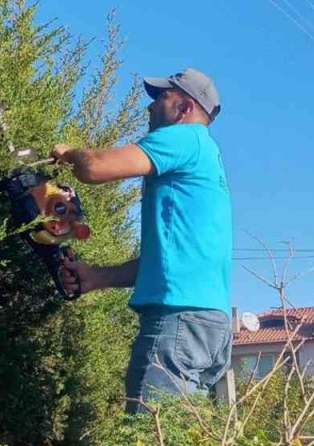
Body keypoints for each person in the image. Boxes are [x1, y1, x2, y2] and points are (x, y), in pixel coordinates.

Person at [49, 68, 232, 413]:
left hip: (178, 319)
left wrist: (67, 154)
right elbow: (165, 260)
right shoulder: (205, 157)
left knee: (148, 437)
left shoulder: (185, 137)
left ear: (185, 108)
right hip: (207, 324)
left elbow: (94, 167)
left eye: (161, 97)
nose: (150, 107)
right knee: (178, 436)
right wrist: (97, 277)